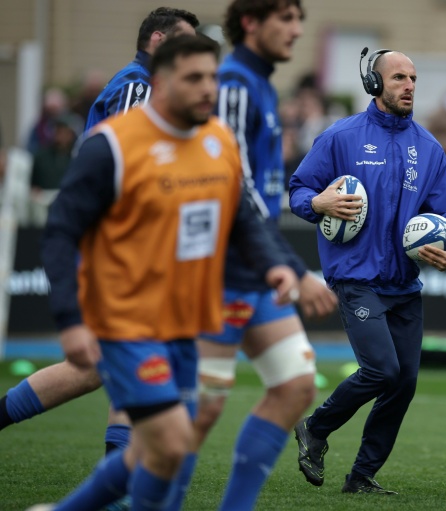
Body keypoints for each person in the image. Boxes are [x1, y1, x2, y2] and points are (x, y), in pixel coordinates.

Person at [26, 34, 298, 511]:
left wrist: (274, 264)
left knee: (164, 447)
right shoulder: (112, 145)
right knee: (170, 442)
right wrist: (70, 320)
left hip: (188, 320)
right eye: (194, 78)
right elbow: (60, 232)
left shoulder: (218, 139)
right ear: (162, 81)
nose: (208, 88)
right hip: (126, 321)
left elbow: (239, 218)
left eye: (212, 77)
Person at [0, 7, 200, 463]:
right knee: (132, 358)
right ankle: (118, 477)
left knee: (101, 366)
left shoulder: (145, 86)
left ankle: (117, 473)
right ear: (157, 40)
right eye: (184, 41)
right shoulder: (137, 86)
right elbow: (125, 163)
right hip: (118, 247)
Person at [289, 48, 446, 494]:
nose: (409, 86)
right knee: (383, 370)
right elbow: (299, 189)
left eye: (413, 79)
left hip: (404, 284)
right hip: (356, 278)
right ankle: (315, 428)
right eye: (399, 78)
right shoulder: (340, 136)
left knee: (403, 382)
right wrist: (318, 202)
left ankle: (362, 476)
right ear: (374, 83)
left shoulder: (429, 148)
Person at [189, 1, 337, 509]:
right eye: (285, 19)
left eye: (299, 20)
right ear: (251, 23)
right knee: (194, 416)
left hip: (255, 269)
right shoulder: (233, 83)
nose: (296, 30)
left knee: (295, 386)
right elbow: (234, 186)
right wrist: (291, 266)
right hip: (222, 272)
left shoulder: (262, 84)